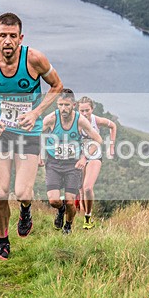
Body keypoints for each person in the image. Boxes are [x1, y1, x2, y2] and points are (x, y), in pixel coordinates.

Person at [0, 12, 63, 260]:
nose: (8, 41)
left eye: (13, 36)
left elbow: (57, 86)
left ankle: (25, 210)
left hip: (29, 133)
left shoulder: (34, 59)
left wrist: (36, 113)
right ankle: (3, 243)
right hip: (2, 132)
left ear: (21, 38)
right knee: (0, 193)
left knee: (23, 192)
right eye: (3, 36)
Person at [42, 89, 102, 235]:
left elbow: (98, 140)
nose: (63, 108)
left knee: (70, 201)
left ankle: (68, 226)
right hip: (53, 163)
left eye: (67, 105)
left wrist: (84, 158)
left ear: (73, 105)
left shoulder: (80, 120)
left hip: (72, 164)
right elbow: (37, 135)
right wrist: (39, 154)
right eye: (61, 105)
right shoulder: (50, 119)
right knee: (54, 200)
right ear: (57, 104)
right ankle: (60, 209)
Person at [77, 96, 117, 229]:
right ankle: (81, 216)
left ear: (92, 109)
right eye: (81, 111)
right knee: (81, 188)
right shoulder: (75, 121)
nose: (84, 114)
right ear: (78, 110)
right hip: (79, 156)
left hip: (94, 155)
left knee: (88, 187)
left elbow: (113, 126)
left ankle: (88, 216)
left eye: (87, 110)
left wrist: (111, 146)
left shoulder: (96, 120)